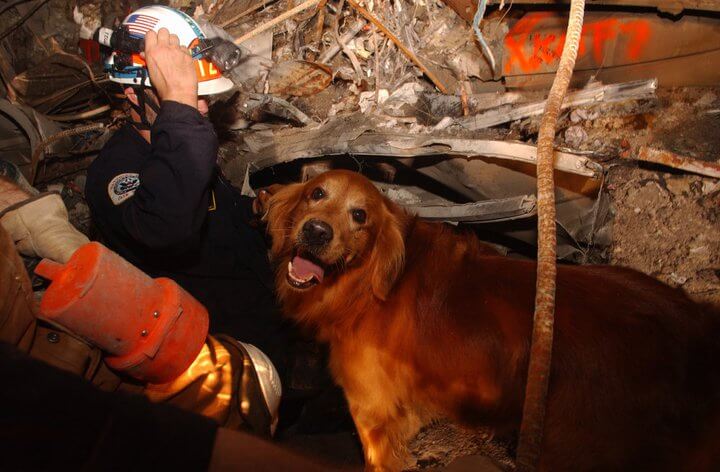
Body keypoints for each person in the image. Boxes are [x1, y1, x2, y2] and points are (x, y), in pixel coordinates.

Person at [85, 7, 292, 382]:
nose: (203, 108)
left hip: (258, 312)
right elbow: (168, 226)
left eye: (203, 97)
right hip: (221, 353)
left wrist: (253, 209)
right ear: (133, 94)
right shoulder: (114, 173)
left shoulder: (177, 142)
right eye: (190, 97)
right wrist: (179, 104)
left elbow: (209, 210)